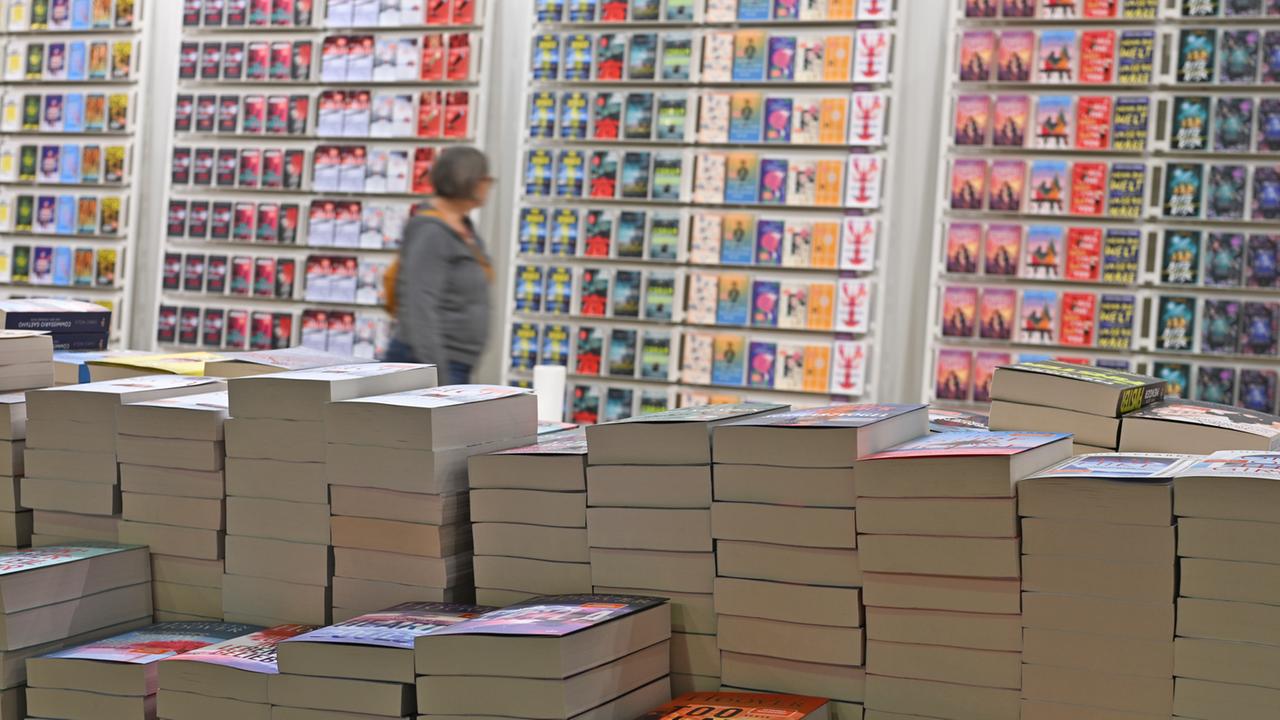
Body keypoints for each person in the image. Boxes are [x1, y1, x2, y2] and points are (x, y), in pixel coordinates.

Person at [384, 146, 494, 385]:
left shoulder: (462, 227)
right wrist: (439, 379)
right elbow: (419, 307)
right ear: (469, 180)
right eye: (486, 178)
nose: (489, 185)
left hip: (453, 363)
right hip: (429, 363)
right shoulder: (431, 231)